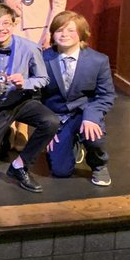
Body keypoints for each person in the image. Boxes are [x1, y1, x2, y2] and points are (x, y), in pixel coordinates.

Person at [0, 4, 59, 191]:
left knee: (51, 121)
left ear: (14, 25)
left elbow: (42, 79)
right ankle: (4, 132)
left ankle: (20, 165)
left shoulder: (30, 48)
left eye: (6, 23)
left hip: (19, 101)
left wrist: (25, 82)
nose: (1, 28)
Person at [42, 10, 115, 186]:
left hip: (84, 113)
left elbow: (106, 95)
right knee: (60, 172)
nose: (64, 34)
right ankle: (71, 145)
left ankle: (99, 165)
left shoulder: (98, 60)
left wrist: (91, 117)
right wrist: (47, 128)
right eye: (59, 30)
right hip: (57, 116)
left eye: (70, 30)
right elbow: (36, 97)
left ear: (81, 34)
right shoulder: (42, 58)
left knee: (94, 137)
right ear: (53, 34)